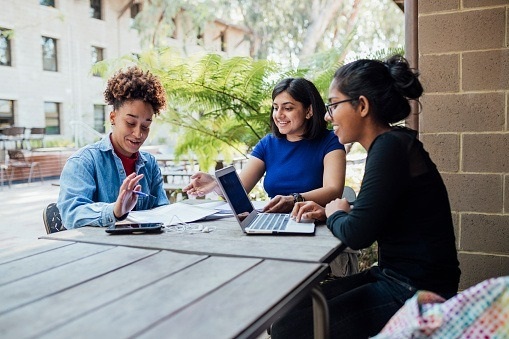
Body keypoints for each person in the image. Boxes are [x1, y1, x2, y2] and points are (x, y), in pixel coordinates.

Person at [271, 55, 461, 338]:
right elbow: (378, 211)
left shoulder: (389, 147)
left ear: (362, 105)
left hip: (415, 290)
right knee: (289, 313)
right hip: (394, 276)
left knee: (290, 329)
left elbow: (357, 235)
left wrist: (334, 213)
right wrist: (328, 212)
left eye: (333, 105)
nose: (327, 115)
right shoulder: (394, 143)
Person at [184, 77, 346, 214]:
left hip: (313, 221)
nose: (279, 115)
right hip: (274, 219)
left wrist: (294, 199)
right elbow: (240, 190)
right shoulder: (268, 144)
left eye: (288, 108)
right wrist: (215, 184)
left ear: (309, 110)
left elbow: (333, 190)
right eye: (275, 108)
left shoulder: (330, 141)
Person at [57, 66, 169, 229]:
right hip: (99, 252)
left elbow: (162, 210)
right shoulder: (84, 162)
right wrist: (114, 211)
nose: (138, 134)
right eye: (130, 123)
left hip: (146, 249)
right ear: (113, 117)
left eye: (145, 126)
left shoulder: (149, 164)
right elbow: (71, 214)